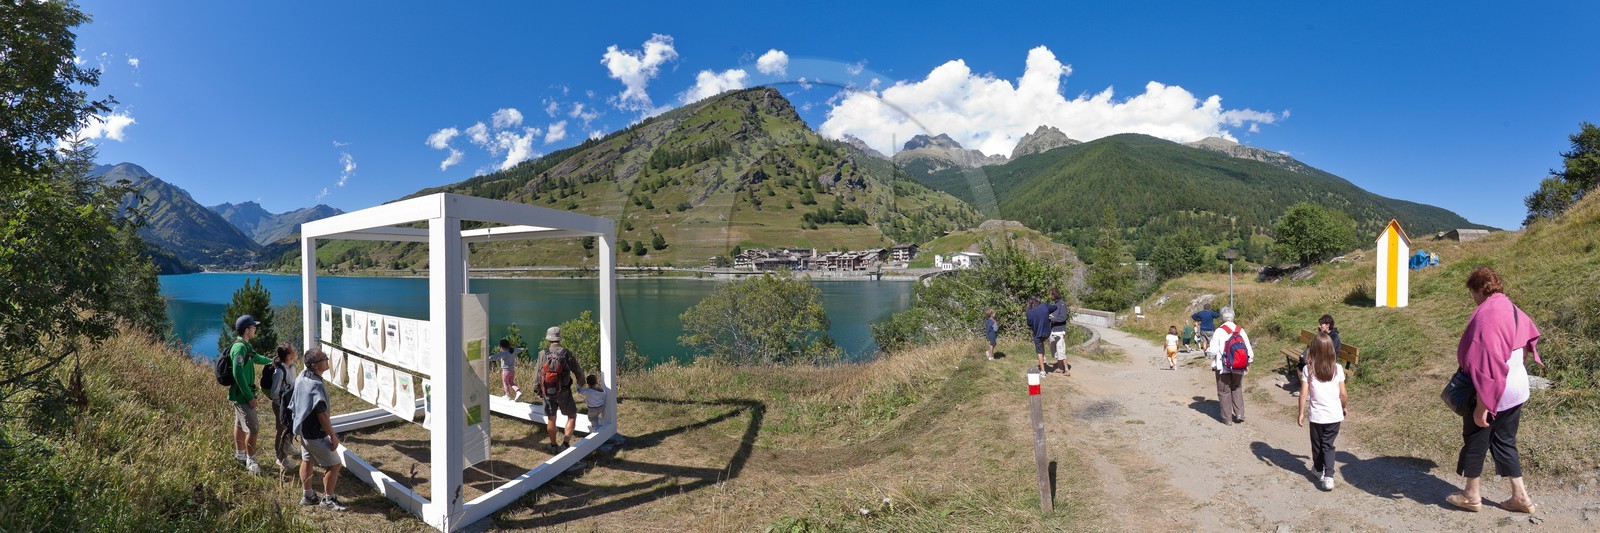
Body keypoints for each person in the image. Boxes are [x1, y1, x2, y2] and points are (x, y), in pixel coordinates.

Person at [1446, 266, 1541, 514]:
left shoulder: (1486, 315)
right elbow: (1529, 339)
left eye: (1473, 294)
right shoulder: (1512, 307)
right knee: (1506, 441)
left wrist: (1481, 406)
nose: (1474, 299)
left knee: (1476, 439)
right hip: (1518, 387)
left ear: (1479, 289)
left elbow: (1487, 366)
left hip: (1496, 391)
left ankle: (1471, 495)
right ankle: (1520, 497)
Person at [290, 349, 348, 511]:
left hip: (303, 429)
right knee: (335, 465)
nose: (327, 360)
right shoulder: (315, 386)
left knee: (307, 460)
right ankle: (328, 500)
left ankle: (307, 495)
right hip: (315, 434)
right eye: (324, 358)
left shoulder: (303, 375)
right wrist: (333, 437)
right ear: (315, 365)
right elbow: (322, 415)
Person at [1297, 332, 1348, 491]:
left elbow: (1303, 393)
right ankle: (1328, 476)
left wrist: (1301, 413)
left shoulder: (1308, 369)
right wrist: (1343, 406)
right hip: (1334, 415)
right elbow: (1343, 393)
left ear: (1314, 349)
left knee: (1318, 445)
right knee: (1328, 445)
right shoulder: (1337, 368)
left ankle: (1320, 470)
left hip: (1317, 415)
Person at [227, 315, 274, 475]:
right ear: (247, 330)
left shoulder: (245, 345)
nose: (255, 329)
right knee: (253, 429)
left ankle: (240, 454)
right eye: (253, 327)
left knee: (240, 425)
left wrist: (273, 361)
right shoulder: (239, 348)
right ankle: (250, 460)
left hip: (240, 395)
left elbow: (256, 358)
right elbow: (237, 373)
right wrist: (249, 396)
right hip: (242, 396)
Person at [536, 326, 585, 452]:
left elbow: (537, 374)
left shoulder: (542, 353)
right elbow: (577, 370)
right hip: (564, 391)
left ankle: (553, 445)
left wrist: (538, 390)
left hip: (547, 391)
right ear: (559, 338)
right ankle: (565, 444)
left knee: (551, 418)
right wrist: (581, 383)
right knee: (572, 415)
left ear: (548, 339)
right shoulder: (565, 352)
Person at [1207, 307, 1254, 424]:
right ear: (1233, 316)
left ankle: (1227, 418)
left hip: (1223, 367)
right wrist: (1247, 363)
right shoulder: (1240, 330)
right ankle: (1239, 414)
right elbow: (1249, 351)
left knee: (1224, 391)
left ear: (1222, 317)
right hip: (1239, 366)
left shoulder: (1219, 331)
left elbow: (1212, 351)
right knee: (1237, 388)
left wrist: (1207, 351)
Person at [261, 343, 299, 473]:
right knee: (282, 430)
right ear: (288, 355)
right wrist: (283, 404)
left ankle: (288, 446)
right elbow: (274, 393)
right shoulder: (279, 371)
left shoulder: (292, 366)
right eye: (294, 349)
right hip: (281, 406)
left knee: (290, 427)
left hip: (291, 403)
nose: (296, 350)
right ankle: (281, 458)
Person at [1293, 315, 1342, 397]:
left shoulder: (1334, 337)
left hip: (1328, 361)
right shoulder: (1323, 334)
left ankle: (1310, 391)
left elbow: (1327, 353)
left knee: (1309, 367)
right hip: (1320, 358)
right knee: (1300, 366)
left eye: (1321, 324)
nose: (1319, 326)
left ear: (1327, 325)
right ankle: (1307, 389)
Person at [1024, 297, 1053, 375]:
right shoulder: (1044, 306)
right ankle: (1044, 359)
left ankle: (1043, 371)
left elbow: (1029, 324)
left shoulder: (1029, 312)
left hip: (1038, 333)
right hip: (1047, 332)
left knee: (1039, 351)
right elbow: (1054, 307)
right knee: (1042, 342)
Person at [1046, 288, 1071, 376]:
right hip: (1053, 331)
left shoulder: (1062, 304)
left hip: (1060, 331)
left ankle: (1066, 370)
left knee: (1061, 350)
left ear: (1054, 294)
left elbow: (1063, 318)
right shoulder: (1054, 305)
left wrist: (1052, 318)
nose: (1050, 296)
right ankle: (1059, 368)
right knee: (1054, 351)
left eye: (1051, 294)